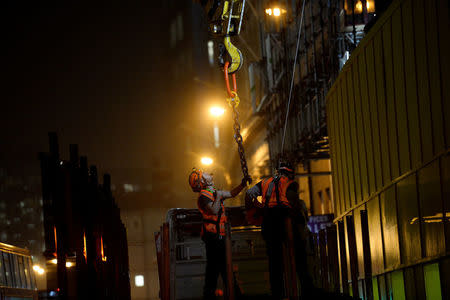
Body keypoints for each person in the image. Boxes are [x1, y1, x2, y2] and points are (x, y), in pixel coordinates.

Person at [245, 162, 312, 299]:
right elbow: (293, 202)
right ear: (290, 173)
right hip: (284, 220)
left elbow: (249, 193)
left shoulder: (265, 182)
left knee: (275, 261)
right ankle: (306, 290)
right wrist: (300, 220)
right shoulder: (289, 183)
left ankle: (278, 293)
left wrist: (256, 208)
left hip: (269, 222)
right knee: (299, 256)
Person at [189, 168, 250, 300]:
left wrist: (242, 184)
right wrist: (219, 196)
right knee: (215, 271)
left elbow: (232, 193)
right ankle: (232, 295)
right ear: (202, 181)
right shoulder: (204, 196)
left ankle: (234, 294)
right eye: (203, 174)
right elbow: (215, 211)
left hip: (218, 236)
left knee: (221, 269)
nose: (207, 173)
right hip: (213, 238)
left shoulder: (212, 192)